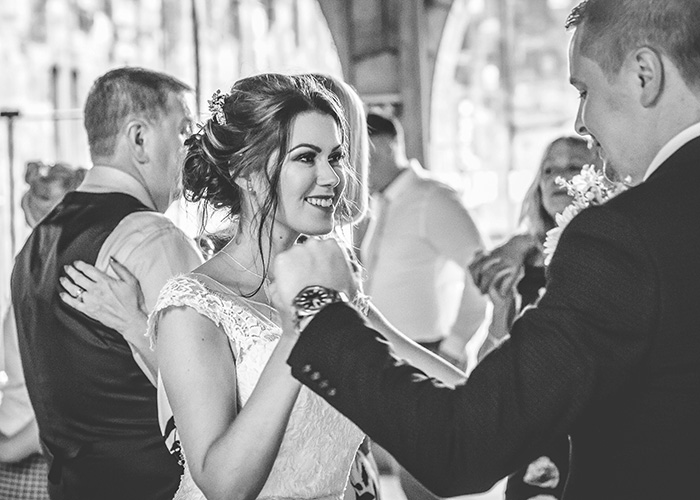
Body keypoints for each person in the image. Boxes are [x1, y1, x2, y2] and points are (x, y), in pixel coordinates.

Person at [271, 1, 700, 498]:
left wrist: (321, 311)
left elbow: (464, 446)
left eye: (584, 90)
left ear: (644, 74)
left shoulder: (624, 236)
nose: (581, 122)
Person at [60, 73, 466, 500]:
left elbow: (459, 395)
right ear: (247, 172)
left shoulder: (334, 290)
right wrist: (301, 326)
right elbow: (222, 483)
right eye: (307, 158)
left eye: (336, 157)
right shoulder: (193, 306)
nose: (332, 177)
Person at [11, 67, 203, 500]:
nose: (192, 149)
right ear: (139, 138)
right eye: (184, 131)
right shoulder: (153, 238)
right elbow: (209, 390)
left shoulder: (33, 247)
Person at [359, 111, 486, 498]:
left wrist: (455, 346)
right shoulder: (383, 204)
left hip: (428, 355)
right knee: (404, 478)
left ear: (377, 148)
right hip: (391, 358)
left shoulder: (432, 199)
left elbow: (482, 274)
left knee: (426, 484)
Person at [470, 136, 599, 500]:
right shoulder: (523, 264)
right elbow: (486, 370)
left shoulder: (608, 255)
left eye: (573, 167)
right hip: (536, 443)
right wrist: (499, 309)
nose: (558, 177)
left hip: (595, 433)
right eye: (548, 170)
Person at [0, 161, 85, 500]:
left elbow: (59, 401)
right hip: (26, 456)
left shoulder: (44, 279)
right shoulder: (42, 280)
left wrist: (7, 451)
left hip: (30, 456)